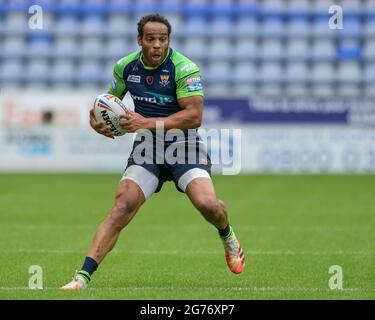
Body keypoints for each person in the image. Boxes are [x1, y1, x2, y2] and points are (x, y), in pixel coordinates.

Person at [61, 13, 245, 290]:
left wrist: (146, 122)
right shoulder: (125, 67)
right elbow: (108, 103)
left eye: (163, 39)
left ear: (169, 40)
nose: (157, 45)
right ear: (140, 40)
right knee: (122, 207)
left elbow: (194, 116)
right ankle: (81, 278)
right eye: (151, 39)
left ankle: (227, 235)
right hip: (148, 148)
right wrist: (97, 121)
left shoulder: (184, 68)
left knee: (208, 205)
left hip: (184, 146)